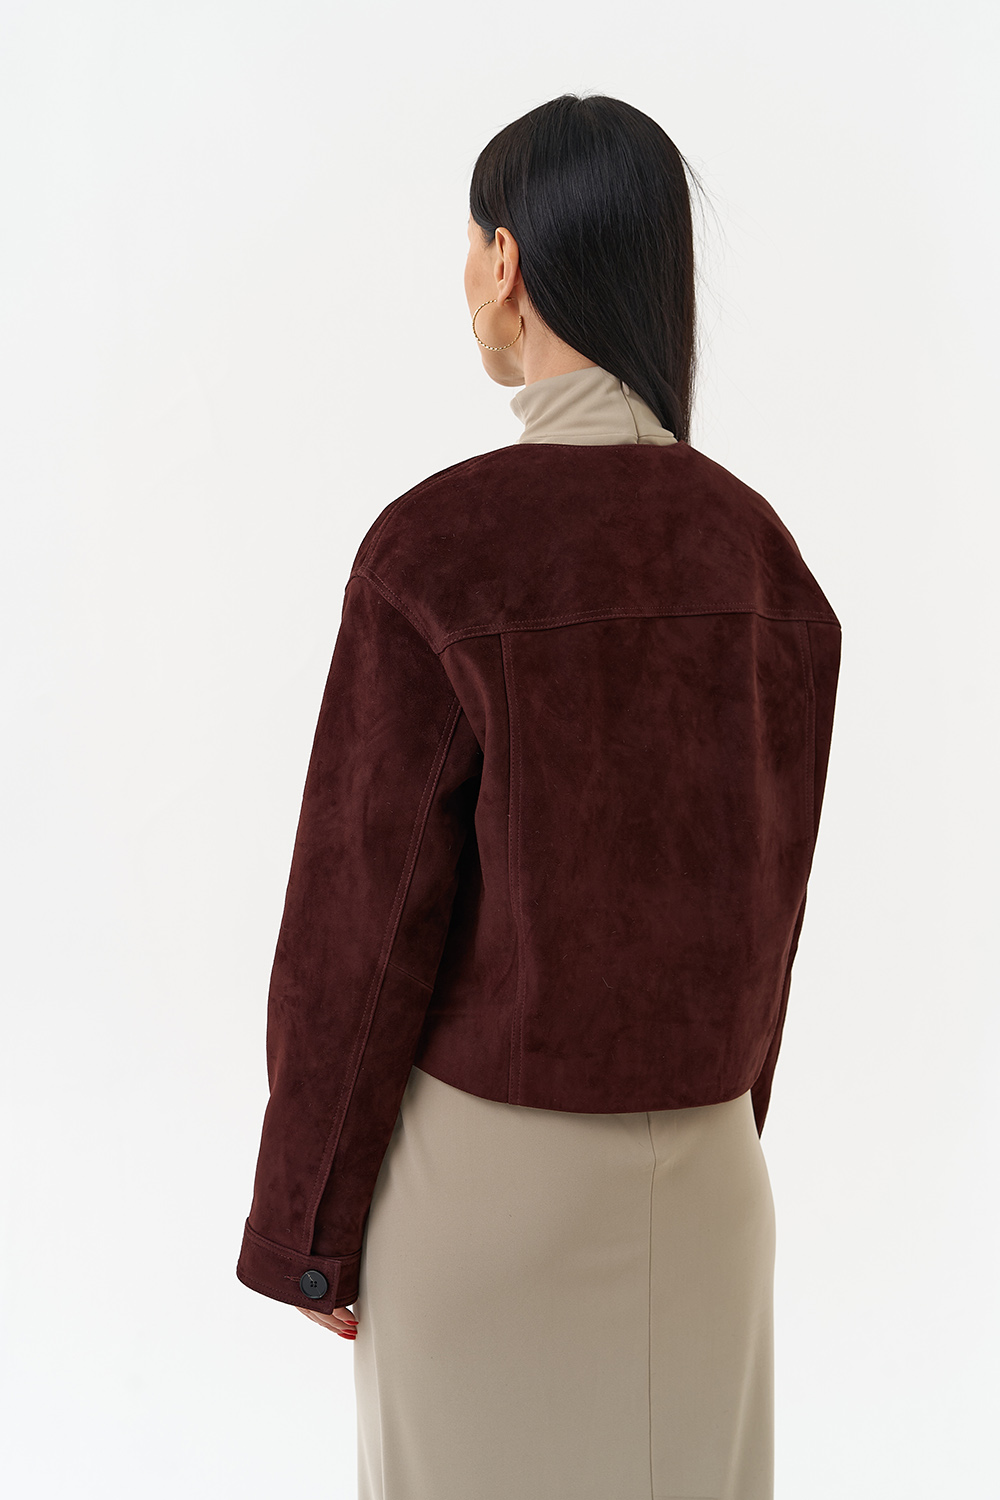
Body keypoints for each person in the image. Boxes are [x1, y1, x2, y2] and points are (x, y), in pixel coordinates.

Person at [236, 92, 842, 1500]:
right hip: (711, 1189)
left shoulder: (437, 548)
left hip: (484, 1194)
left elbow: (357, 925)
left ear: (505, 259)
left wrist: (308, 1230)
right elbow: (771, 903)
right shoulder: (762, 555)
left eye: (470, 244)